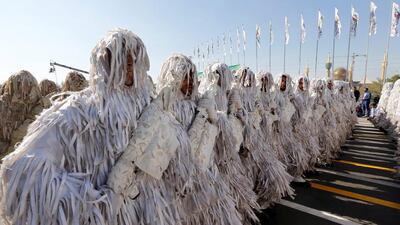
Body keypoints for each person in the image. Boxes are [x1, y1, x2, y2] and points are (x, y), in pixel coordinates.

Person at [0, 28, 153, 224]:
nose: (130, 70)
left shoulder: (147, 107)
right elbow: (19, 168)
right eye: (123, 62)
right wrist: (88, 201)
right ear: (105, 63)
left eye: (133, 62)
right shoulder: (81, 110)